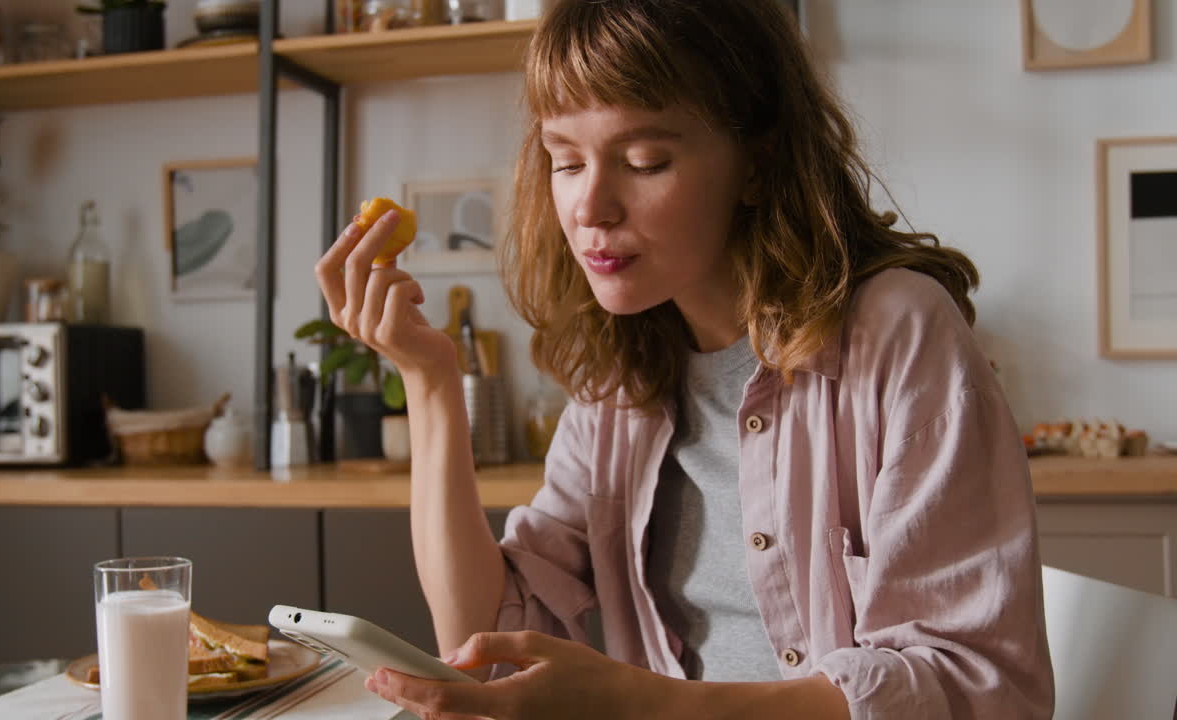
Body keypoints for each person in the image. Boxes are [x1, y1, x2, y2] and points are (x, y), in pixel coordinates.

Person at [314, 0, 1055, 717]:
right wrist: (430, 380)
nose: (590, 207)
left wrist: (643, 704)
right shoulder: (619, 384)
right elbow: (482, 640)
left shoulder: (896, 331)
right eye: (565, 161)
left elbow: (973, 687)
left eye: (644, 160)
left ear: (760, 162)